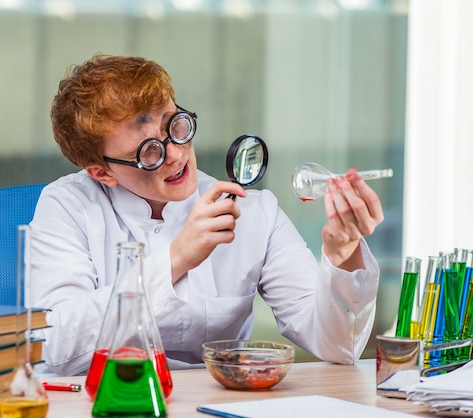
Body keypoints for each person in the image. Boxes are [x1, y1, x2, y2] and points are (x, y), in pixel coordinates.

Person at [30, 53, 384, 377]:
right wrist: (176, 259)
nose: (175, 154)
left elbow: (338, 345)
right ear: (102, 173)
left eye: (176, 125)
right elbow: (54, 347)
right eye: (148, 152)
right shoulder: (67, 206)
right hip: (106, 404)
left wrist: (343, 252)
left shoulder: (253, 211)